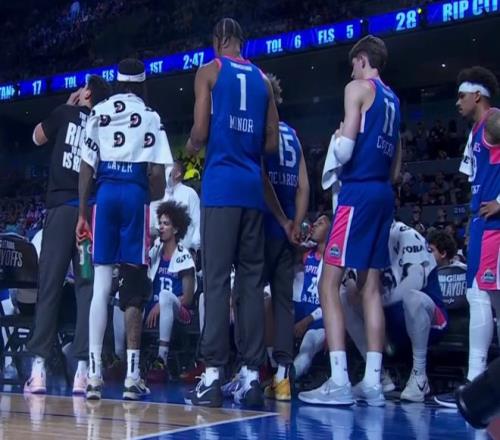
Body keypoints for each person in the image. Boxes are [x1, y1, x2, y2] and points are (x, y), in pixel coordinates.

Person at [299, 35, 401, 407]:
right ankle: (373, 382)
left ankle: (339, 380)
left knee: (328, 282)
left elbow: (344, 149)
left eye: (352, 64)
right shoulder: (394, 100)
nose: (352, 71)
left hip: (357, 193)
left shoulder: (357, 88)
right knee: (370, 287)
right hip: (383, 194)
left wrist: (339, 134)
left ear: (361, 59)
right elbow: (396, 168)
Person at [184, 18, 279, 408]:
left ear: (216, 41)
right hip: (252, 190)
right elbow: (271, 144)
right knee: (251, 284)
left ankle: (211, 376)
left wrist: (189, 149)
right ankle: (251, 377)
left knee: (217, 280)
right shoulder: (263, 81)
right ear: (243, 42)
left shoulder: (209, 71)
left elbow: (201, 131)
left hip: (221, 186)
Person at [77, 58, 173, 400]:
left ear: (118, 82)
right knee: (133, 285)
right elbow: (159, 177)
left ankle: (93, 377)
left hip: (104, 195)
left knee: (101, 286)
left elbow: (86, 168)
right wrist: (146, 195)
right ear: (142, 83)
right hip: (134, 194)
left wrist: (83, 212)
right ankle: (132, 377)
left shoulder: (99, 110)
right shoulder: (151, 115)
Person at [24, 76, 111, 395]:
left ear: (86, 93)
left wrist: (67, 104)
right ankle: (83, 373)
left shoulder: (64, 112)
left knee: (50, 285)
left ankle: (38, 371)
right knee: (86, 287)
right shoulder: (103, 125)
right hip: (89, 217)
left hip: (61, 212)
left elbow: (36, 137)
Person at [435, 66, 500, 408]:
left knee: (486, 298)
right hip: (481, 225)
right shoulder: (476, 131)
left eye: (461, 95)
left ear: (477, 95)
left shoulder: (494, 120)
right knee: (481, 297)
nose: (457, 102)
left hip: (495, 225)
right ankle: (476, 384)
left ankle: (477, 382)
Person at [341, 221, 448, 402]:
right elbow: (351, 285)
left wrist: (373, 300)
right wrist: (351, 285)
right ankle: (377, 377)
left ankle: (419, 378)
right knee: (343, 299)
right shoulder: (362, 241)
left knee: (412, 298)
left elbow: (415, 281)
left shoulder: (407, 234)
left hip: (430, 319)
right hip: (389, 321)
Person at [261, 73, 310, 401]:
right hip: (289, 227)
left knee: (250, 295)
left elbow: (261, 178)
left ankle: (253, 370)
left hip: (265, 221)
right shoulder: (293, 134)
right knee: (283, 301)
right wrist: (295, 222)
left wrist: (280, 218)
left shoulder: (261, 130)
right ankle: (282, 377)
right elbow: (304, 185)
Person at [145, 201, 196, 382]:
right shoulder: (154, 252)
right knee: (123, 298)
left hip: (178, 311)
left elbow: (188, 298)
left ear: (176, 229)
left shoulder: (184, 255)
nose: (161, 227)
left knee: (165, 296)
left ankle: (162, 359)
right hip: (152, 307)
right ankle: (120, 358)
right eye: (160, 223)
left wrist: (161, 305)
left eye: (166, 224)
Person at [292, 215, 330, 380]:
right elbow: (290, 252)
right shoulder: (308, 255)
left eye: (320, 223)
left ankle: (288, 379)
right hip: (303, 310)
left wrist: (306, 321)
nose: (314, 225)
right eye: (315, 222)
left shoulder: (335, 260)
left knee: (308, 343)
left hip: (321, 318)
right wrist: (302, 242)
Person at [149, 160, 201, 254]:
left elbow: (197, 222)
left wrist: (194, 248)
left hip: (185, 250)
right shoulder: (162, 195)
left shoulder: (189, 193)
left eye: (169, 169)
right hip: (163, 251)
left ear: (177, 174)